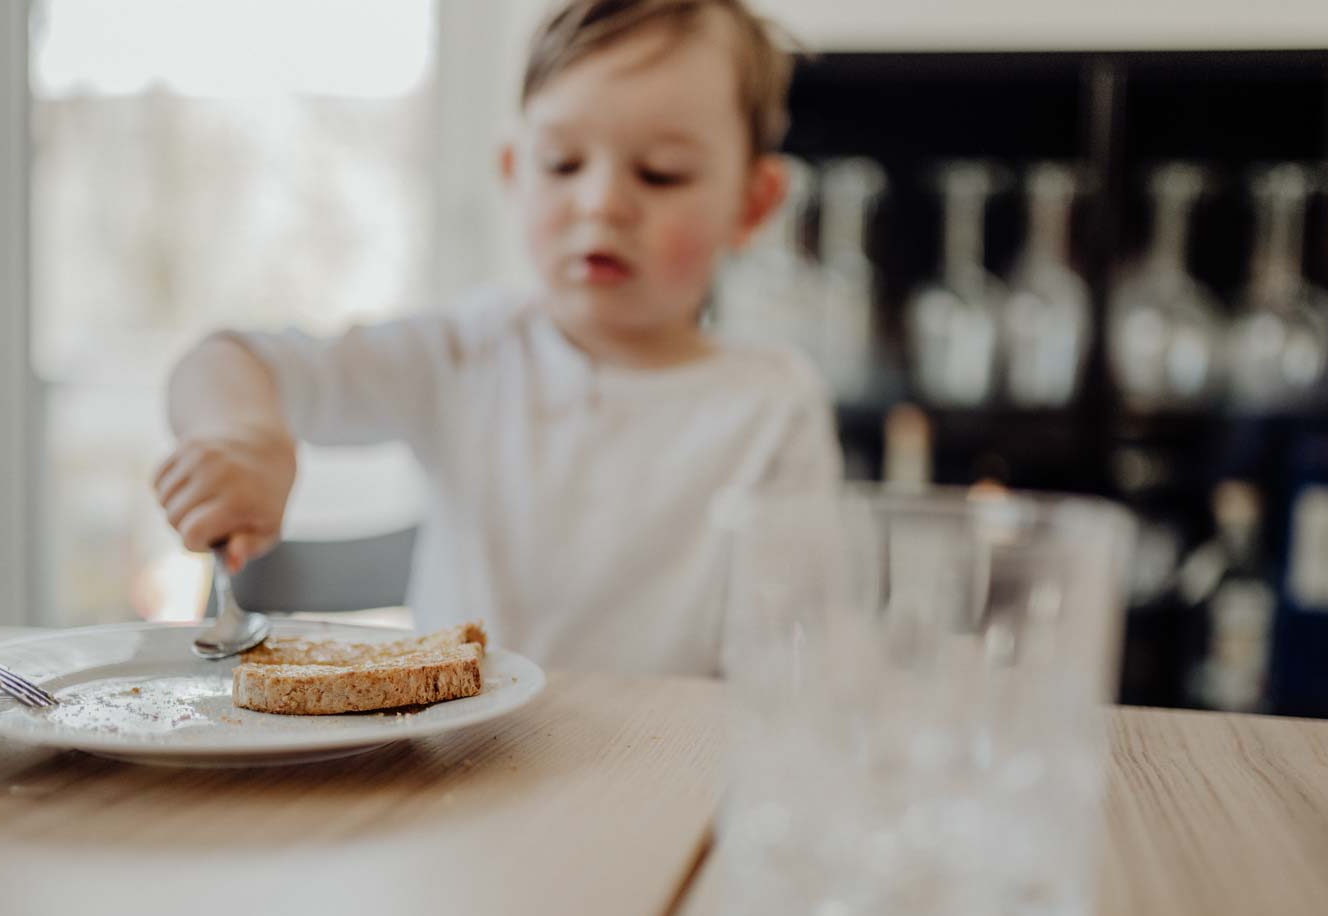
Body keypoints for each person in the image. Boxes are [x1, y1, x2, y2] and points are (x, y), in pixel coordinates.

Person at [152, 0, 843, 676]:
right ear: (513, 171)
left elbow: (793, 662)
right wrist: (241, 434)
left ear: (752, 204)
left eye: (660, 172)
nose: (601, 201)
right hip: (462, 771)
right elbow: (225, 359)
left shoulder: (772, 403)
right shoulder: (466, 354)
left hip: (673, 778)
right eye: (563, 163)